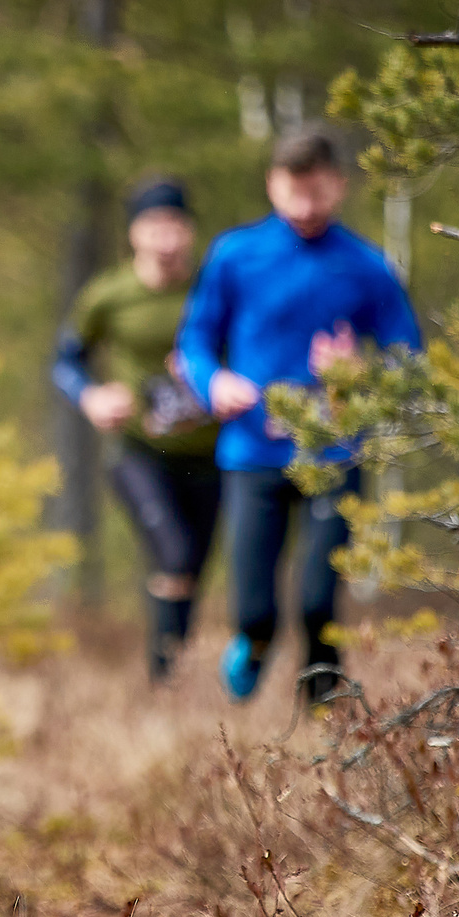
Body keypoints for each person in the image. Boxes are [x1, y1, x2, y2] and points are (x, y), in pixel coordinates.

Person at [176, 128, 419, 703]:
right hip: (251, 451)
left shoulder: (365, 265)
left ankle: (325, 715)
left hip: (334, 454)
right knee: (256, 609)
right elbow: (195, 337)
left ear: (339, 186)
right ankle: (252, 646)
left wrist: (359, 370)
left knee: (316, 603)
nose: (305, 208)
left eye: (316, 193)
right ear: (272, 187)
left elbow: (408, 359)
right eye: (293, 193)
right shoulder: (235, 254)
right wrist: (216, 380)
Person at [53, 178, 223, 683]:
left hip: (210, 453)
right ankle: (164, 677)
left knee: (190, 569)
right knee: (172, 554)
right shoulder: (110, 295)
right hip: (139, 451)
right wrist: (92, 396)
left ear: (190, 232)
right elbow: (65, 360)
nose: (166, 240)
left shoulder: (213, 291)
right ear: (134, 234)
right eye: (154, 227)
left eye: (176, 226)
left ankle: (175, 670)